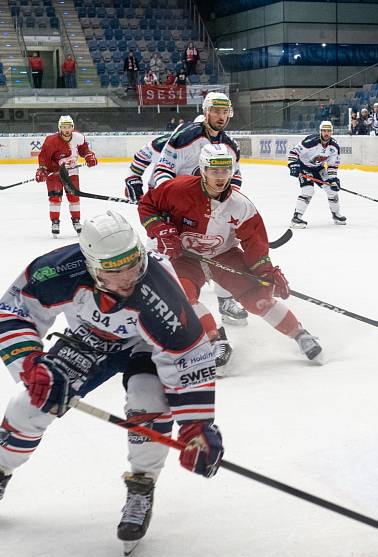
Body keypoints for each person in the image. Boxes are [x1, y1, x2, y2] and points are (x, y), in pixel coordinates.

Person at [0, 211, 222, 555]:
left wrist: (196, 426)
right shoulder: (56, 270)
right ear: (91, 265)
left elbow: (186, 353)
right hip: (91, 339)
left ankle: (142, 484)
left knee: (149, 403)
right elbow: (14, 311)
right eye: (114, 271)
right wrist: (30, 362)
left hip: (147, 345)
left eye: (133, 265)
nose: (128, 279)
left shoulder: (159, 286)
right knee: (31, 403)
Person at [139, 144, 323, 362]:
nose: (221, 176)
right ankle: (217, 341)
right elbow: (147, 204)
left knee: (259, 300)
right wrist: (160, 229)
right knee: (182, 298)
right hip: (185, 256)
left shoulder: (241, 206)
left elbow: (255, 245)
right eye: (214, 170)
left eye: (225, 170)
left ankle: (300, 334)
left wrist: (266, 272)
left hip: (224, 255)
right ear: (203, 169)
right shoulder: (177, 189)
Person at [152, 93, 248, 330]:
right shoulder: (186, 137)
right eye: (216, 111)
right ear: (206, 112)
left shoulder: (231, 145)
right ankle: (165, 306)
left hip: (212, 210)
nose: (221, 116)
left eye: (225, 112)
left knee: (223, 250)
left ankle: (225, 301)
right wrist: (167, 204)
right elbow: (163, 169)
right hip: (179, 209)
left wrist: (226, 203)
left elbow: (235, 176)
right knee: (164, 256)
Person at [36, 115, 98, 237]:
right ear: (60, 128)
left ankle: (76, 221)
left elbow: (84, 150)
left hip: (72, 172)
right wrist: (42, 170)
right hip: (55, 172)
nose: (66, 130)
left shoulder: (78, 138)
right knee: (55, 198)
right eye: (64, 127)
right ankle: (55, 222)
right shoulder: (51, 141)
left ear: (72, 127)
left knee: (74, 197)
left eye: (69, 127)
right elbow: (43, 157)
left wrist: (89, 156)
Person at [286, 120, 345, 227]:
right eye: (324, 131)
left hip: (318, 168)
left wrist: (333, 179)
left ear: (332, 132)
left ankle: (336, 214)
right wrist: (293, 165)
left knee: (332, 189)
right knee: (308, 190)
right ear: (320, 131)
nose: (326, 133)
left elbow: (332, 165)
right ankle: (296, 218)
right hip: (304, 166)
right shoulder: (311, 142)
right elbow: (294, 152)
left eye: (329, 131)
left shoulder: (334, 147)